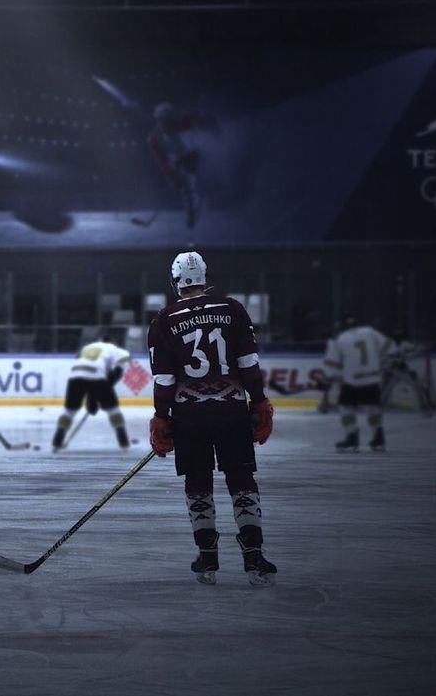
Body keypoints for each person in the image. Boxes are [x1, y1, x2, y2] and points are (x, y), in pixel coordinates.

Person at [147, 250, 277, 586]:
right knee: (241, 478)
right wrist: (259, 401)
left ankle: (207, 559)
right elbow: (248, 363)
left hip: (189, 415)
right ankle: (254, 557)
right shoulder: (232, 309)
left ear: (175, 282)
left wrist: (161, 417)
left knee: (198, 482)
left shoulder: (163, 319)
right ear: (205, 277)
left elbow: (164, 379)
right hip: (231, 408)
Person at [323, 316, 394, 452]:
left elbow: (332, 364)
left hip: (353, 381)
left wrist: (327, 378)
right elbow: (389, 348)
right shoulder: (370, 332)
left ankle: (351, 437)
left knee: (346, 407)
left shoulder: (341, 338)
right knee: (373, 408)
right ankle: (378, 437)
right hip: (373, 377)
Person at [52, 335, 131, 451]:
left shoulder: (87, 347)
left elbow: (83, 367)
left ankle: (57, 440)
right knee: (113, 409)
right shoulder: (117, 350)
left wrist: (92, 397)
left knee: (69, 410)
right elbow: (118, 371)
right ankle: (123, 441)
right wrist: (100, 394)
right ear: (113, 342)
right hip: (96, 375)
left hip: (75, 375)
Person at [148, 103, 219, 228]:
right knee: (186, 185)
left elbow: (201, 117)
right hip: (180, 159)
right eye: (162, 121)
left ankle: (204, 202)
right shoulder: (155, 138)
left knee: (195, 179)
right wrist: (170, 175)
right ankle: (192, 212)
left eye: (168, 121)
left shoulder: (184, 122)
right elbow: (162, 160)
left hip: (196, 152)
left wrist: (209, 123)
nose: (166, 125)